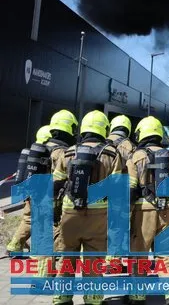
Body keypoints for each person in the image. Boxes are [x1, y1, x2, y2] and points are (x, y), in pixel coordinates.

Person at [52, 110, 122, 305]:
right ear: (104, 129)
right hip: (98, 217)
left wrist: (55, 213)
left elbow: (56, 184)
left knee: (66, 259)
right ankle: (93, 300)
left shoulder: (68, 152)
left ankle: (61, 298)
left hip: (69, 213)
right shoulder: (112, 153)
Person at [127, 116, 169, 304]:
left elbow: (129, 190)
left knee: (139, 253)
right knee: (166, 255)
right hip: (168, 209)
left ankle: (137, 296)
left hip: (143, 211)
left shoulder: (135, 157)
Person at [7, 112, 78, 259]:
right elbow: (62, 176)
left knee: (29, 219)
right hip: (50, 195)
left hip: (34, 192)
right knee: (54, 224)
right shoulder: (61, 151)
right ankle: (48, 255)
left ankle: (14, 246)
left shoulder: (42, 148)